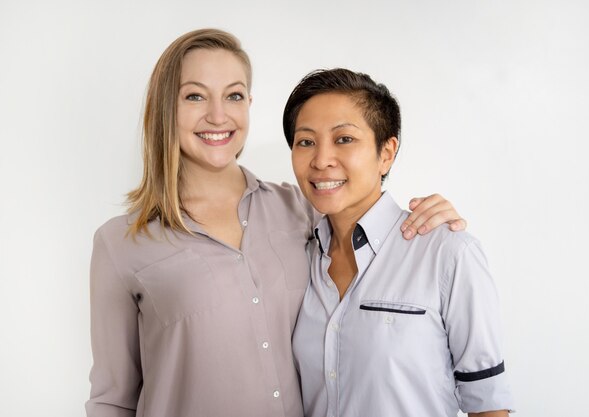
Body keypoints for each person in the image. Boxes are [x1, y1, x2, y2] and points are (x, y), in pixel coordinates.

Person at [86, 29, 466, 417]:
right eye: (195, 96)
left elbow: (369, 218)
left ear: (248, 103)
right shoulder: (121, 243)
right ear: (166, 107)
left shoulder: (302, 209)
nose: (218, 115)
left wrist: (429, 217)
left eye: (233, 96)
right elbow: (112, 400)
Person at [286, 68, 514, 417]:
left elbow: (488, 406)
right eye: (306, 141)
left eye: (344, 139)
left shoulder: (447, 253)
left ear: (387, 153)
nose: (321, 160)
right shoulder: (297, 254)